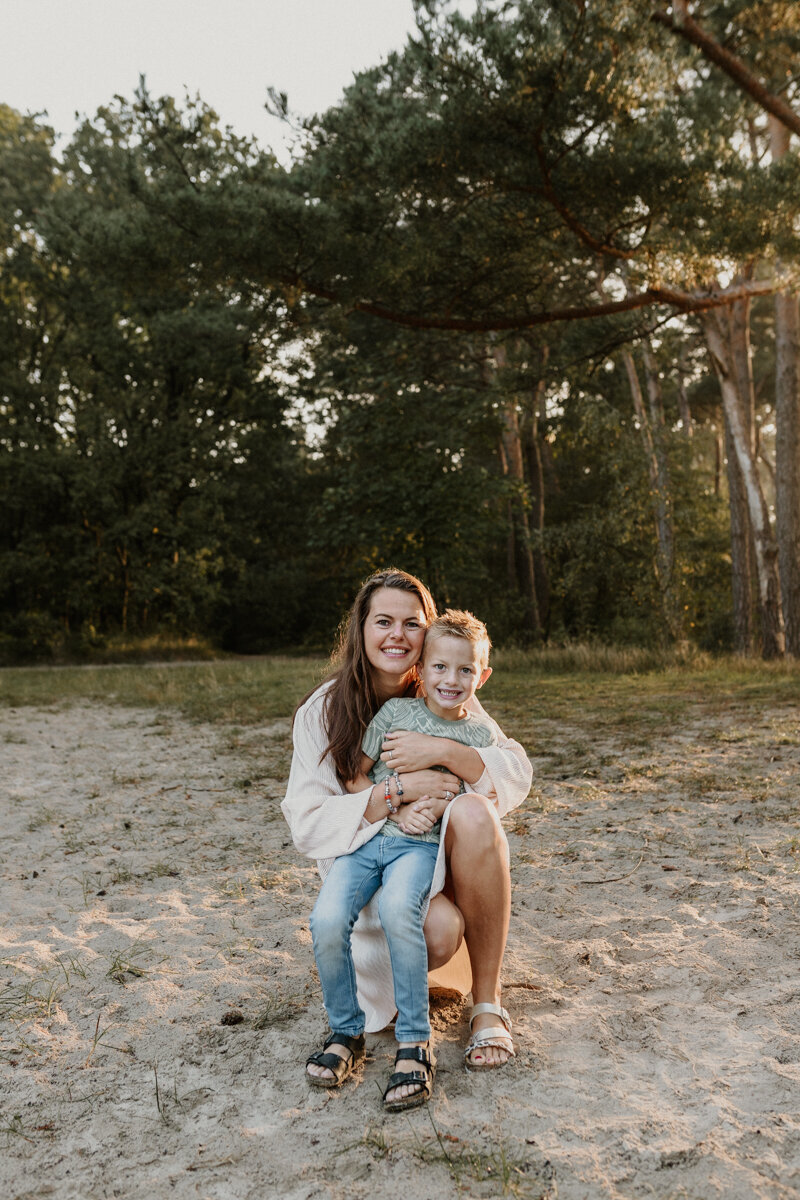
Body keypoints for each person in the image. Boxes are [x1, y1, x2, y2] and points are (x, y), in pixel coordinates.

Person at [281, 568, 532, 1105]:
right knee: (427, 928)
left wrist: (441, 754)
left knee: (474, 814)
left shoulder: (443, 683)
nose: (396, 634)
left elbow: (512, 772)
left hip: (427, 867)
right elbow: (307, 823)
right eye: (383, 621)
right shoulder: (322, 711)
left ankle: (485, 1003)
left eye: (411, 623)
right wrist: (399, 792)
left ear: (427, 635)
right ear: (361, 630)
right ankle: (352, 1026)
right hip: (366, 872)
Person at [307, 610, 498, 1111]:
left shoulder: (476, 734)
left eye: (464, 671)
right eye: (439, 668)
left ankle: (416, 1041)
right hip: (368, 839)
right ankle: (346, 1032)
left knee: (400, 911)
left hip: (419, 847)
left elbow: (477, 789)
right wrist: (400, 799)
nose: (450, 680)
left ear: (481, 677)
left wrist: (436, 800)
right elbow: (354, 775)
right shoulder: (394, 715)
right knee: (325, 918)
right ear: (422, 668)